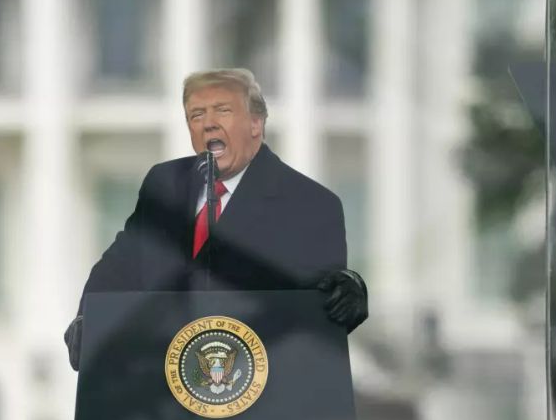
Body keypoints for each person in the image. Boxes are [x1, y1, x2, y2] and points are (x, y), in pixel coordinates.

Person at [65, 68, 367, 369]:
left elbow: (324, 300)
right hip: (160, 388)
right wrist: (87, 319)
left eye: (223, 111)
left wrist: (350, 289)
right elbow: (119, 266)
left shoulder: (310, 203)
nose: (208, 124)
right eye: (196, 115)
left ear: (255, 124)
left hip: (259, 391)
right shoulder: (164, 183)